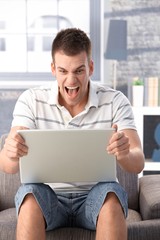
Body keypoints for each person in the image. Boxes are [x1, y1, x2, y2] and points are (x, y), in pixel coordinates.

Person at [0, 28, 144, 240]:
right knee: (30, 198)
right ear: (53, 69)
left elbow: (138, 162)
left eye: (79, 70)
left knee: (111, 198)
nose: (71, 81)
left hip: (97, 196)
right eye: (63, 71)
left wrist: (124, 154)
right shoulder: (31, 100)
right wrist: (11, 153)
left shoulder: (115, 101)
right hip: (46, 197)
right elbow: (8, 165)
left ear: (91, 67)